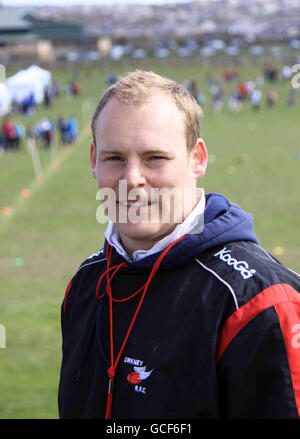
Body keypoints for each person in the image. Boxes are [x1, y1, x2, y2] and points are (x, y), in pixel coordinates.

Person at [58, 70, 300, 419]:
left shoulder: (260, 304)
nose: (132, 179)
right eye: (115, 158)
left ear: (197, 159)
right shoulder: (85, 284)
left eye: (155, 157)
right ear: (93, 160)